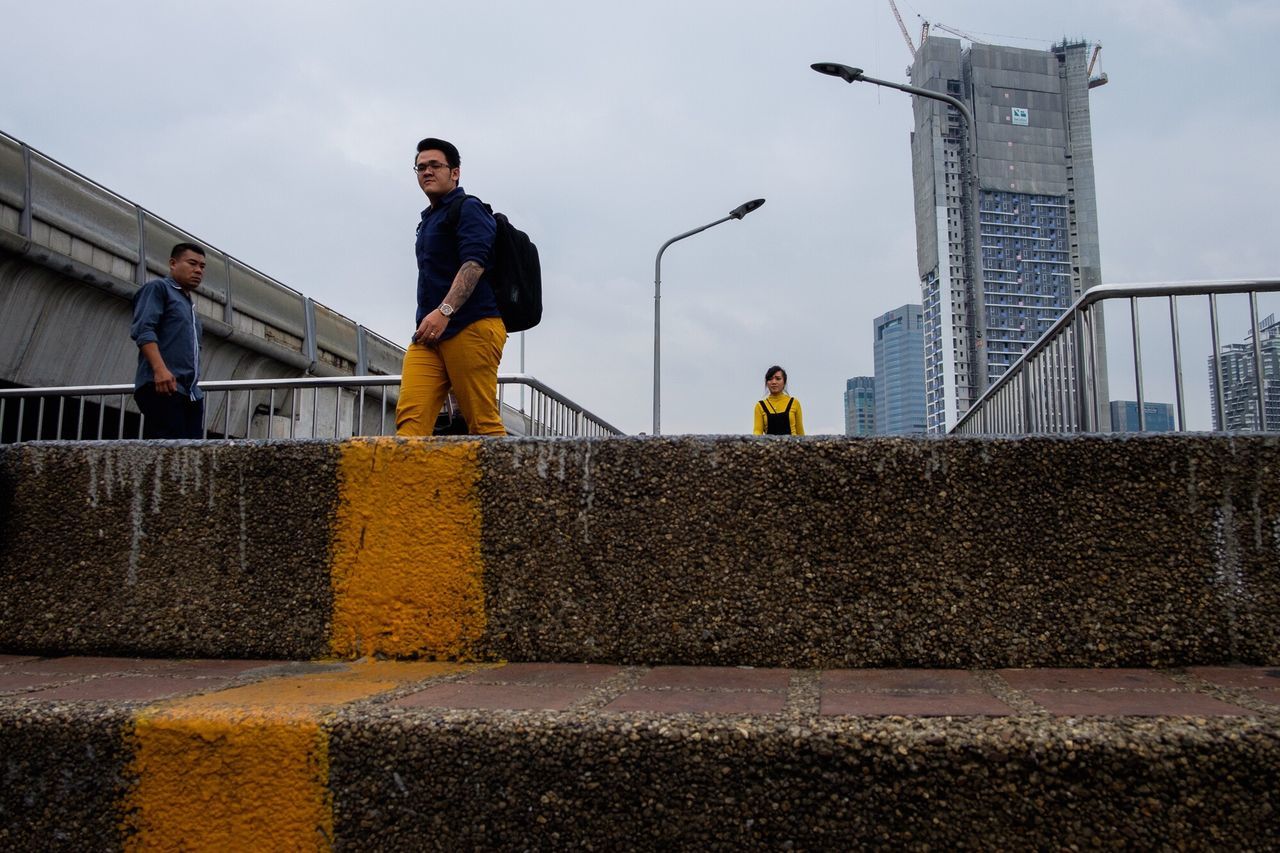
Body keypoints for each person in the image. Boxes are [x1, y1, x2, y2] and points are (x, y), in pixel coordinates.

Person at [396, 137, 507, 436]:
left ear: (455, 172)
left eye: (435, 165)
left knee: (482, 424)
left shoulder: (468, 208)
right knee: (409, 426)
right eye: (420, 167)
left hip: (471, 326)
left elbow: (474, 263)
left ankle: (505, 482)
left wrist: (444, 311)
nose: (426, 172)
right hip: (430, 334)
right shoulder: (429, 219)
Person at [130, 242, 207, 439]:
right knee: (169, 454)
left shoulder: (189, 306)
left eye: (202, 266)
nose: (198, 270)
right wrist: (160, 369)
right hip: (164, 387)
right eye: (192, 263)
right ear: (173, 263)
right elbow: (144, 330)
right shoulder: (158, 289)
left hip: (189, 393)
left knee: (192, 457)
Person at [753, 365, 805, 436]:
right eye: (770, 379)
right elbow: (757, 431)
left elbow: (800, 432)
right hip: (770, 446)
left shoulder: (794, 403)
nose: (774, 382)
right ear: (766, 382)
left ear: (784, 382)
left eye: (778, 379)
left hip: (792, 446)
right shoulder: (760, 406)